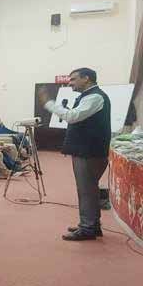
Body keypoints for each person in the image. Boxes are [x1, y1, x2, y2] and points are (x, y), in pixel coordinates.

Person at [39, 68, 111, 241]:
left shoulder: (94, 97)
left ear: (86, 78)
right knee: (89, 190)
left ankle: (87, 228)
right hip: (87, 151)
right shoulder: (88, 96)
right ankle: (92, 225)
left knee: (86, 190)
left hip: (89, 152)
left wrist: (49, 103)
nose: (69, 83)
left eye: (73, 79)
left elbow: (72, 117)